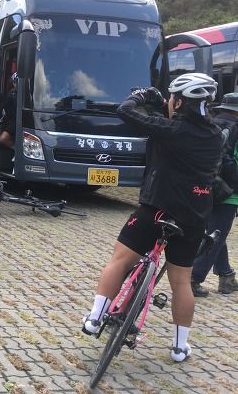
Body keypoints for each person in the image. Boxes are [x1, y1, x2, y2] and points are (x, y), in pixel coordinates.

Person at [81, 73, 222, 363]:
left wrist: (142, 96)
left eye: (172, 98)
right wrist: (161, 104)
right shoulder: (216, 135)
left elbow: (125, 111)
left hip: (157, 208)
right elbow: (181, 128)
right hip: (194, 217)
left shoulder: (171, 129)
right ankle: (180, 347)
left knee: (120, 261)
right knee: (181, 282)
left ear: (179, 102)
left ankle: (95, 318)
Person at [191, 92, 238, 296]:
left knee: (216, 231)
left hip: (205, 186)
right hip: (229, 193)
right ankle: (194, 278)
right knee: (217, 236)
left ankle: (226, 275)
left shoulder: (211, 124)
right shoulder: (236, 129)